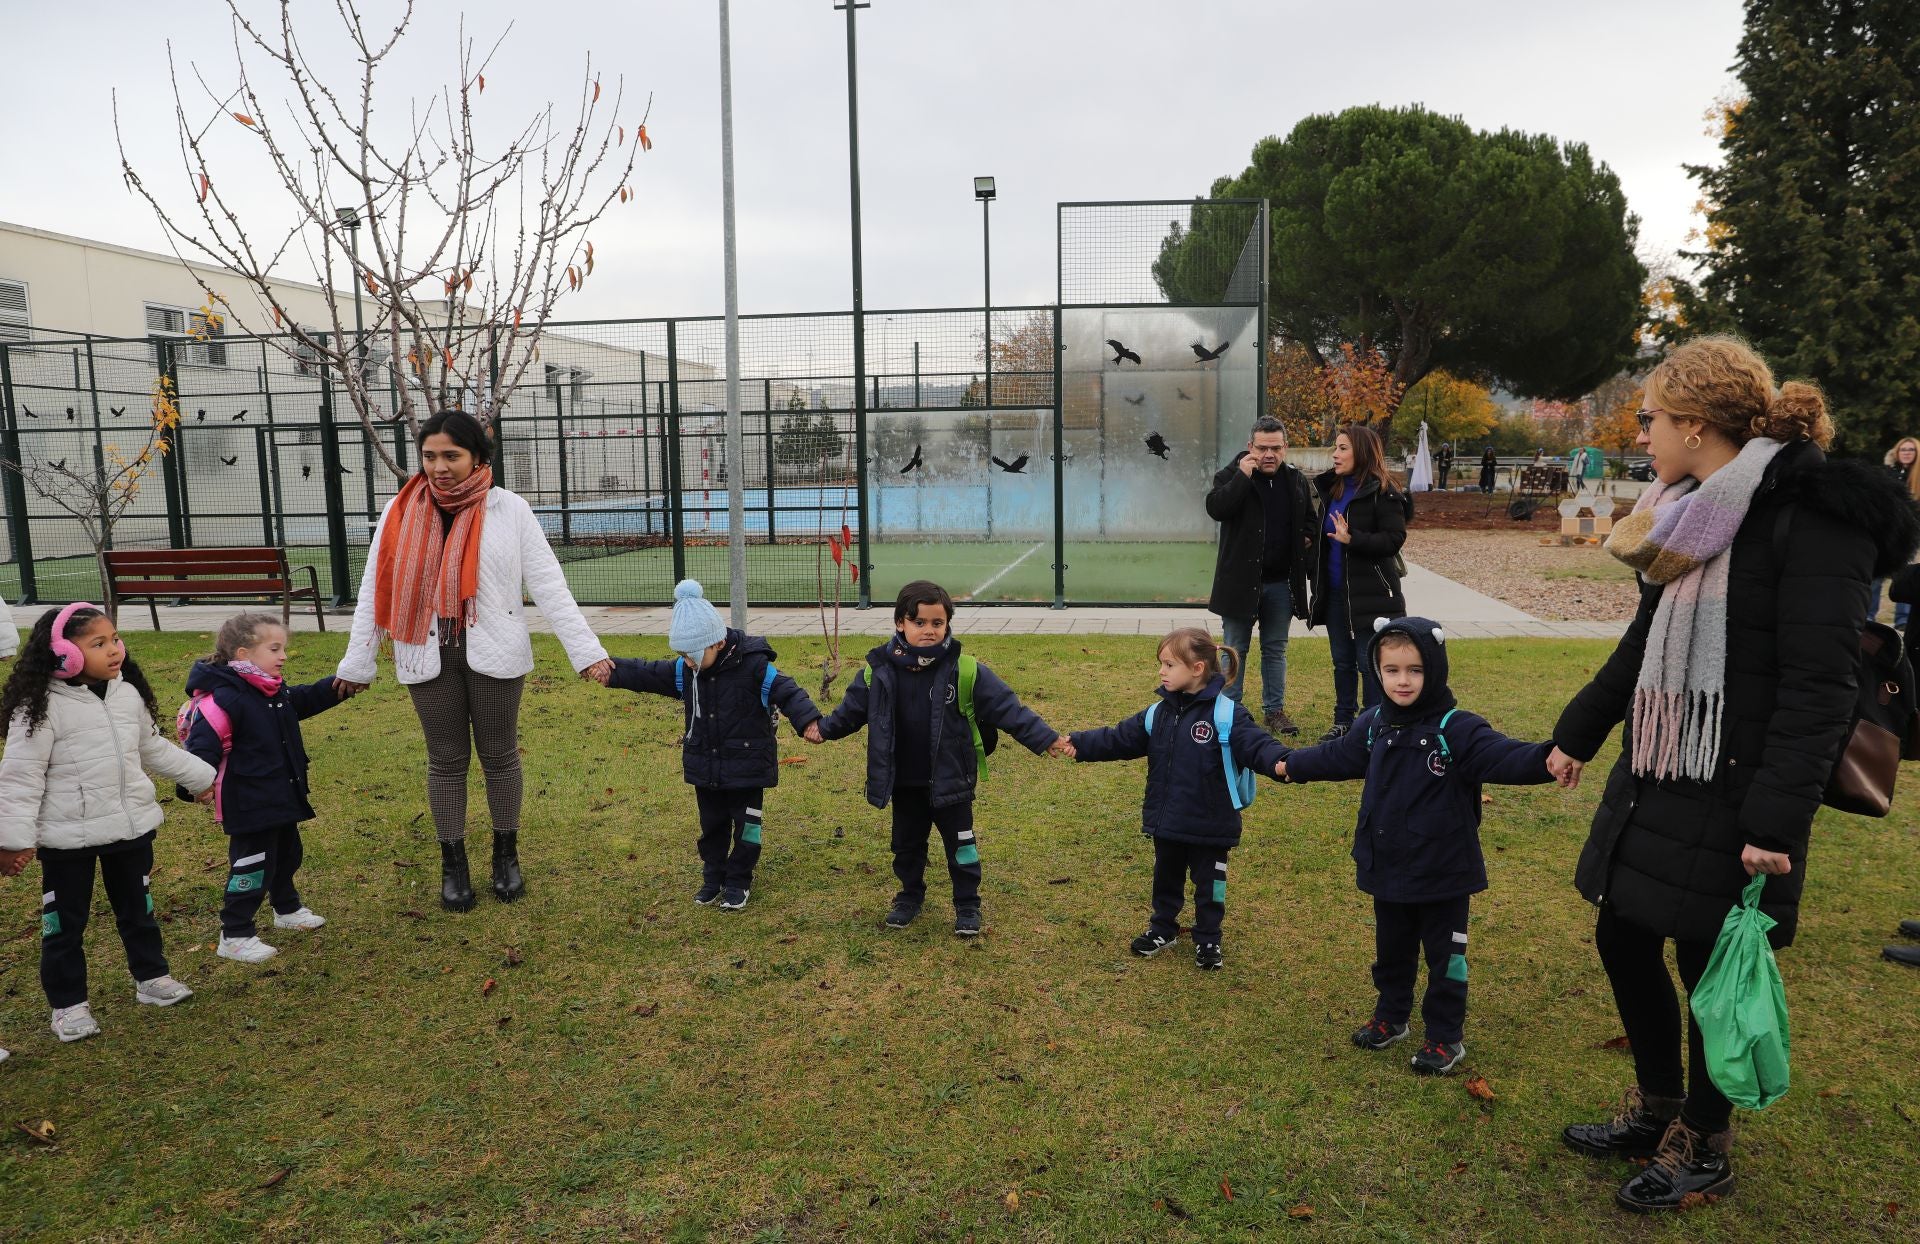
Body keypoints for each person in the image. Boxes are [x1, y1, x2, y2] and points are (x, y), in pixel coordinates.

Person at [1545, 336, 1920, 1213]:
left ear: (1698, 423)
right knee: (1624, 934)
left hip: (1744, 781)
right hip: (1665, 763)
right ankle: (1658, 1105)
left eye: (1651, 420)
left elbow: (1821, 686)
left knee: (1709, 959)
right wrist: (1579, 732)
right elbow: (1646, 642)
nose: (1642, 436)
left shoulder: (1810, 517)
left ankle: (1704, 1139)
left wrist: (1775, 823)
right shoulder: (1690, 510)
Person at [334, 410, 612, 913]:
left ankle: (505, 855)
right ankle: (453, 863)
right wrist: (358, 663)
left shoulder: (511, 510)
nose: (439, 467)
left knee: (499, 756)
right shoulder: (400, 510)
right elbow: (376, 586)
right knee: (446, 761)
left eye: (451, 456)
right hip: (424, 652)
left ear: (478, 457)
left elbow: (549, 585)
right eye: (429, 456)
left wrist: (587, 653)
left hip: (496, 652)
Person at [1276, 617, 1560, 1074]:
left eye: (1415, 670)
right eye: (1391, 670)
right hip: (1386, 864)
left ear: (1435, 670)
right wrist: (1292, 763)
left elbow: (1505, 755)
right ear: (1377, 671)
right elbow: (1339, 756)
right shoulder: (1373, 724)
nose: (1402, 681)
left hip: (1443, 871)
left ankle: (1446, 1037)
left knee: (1446, 960)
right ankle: (1391, 1017)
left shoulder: (1457, 729)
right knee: (1392, 951)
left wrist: (1551, 757)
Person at [0, 605, 217, 1043]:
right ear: (63, 654)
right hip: (67, 841)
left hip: (129, 829)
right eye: (98, 644)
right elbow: (20, 776)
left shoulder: (126, 693)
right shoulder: (38, 706)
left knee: (139, 910)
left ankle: (152, 977)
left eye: (115, 638)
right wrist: (11, 841)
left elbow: (151, 747)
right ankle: (68, 1006)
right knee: (64, 924)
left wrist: (202, 778)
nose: (114, 649)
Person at [810, 579, 1066, 937]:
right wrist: (822, 729)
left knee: (962, 845)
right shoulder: (877, 671)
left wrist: (1046, 738)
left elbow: (1009, 709)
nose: (928, 631)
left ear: (947, 625)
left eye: (937, 623)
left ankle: (967, 904)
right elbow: (851, 712)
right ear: (900, 622)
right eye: (919, 623)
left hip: (950, 779)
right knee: (906, 846)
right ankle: (909, 896)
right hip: (903, 781)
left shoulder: (965, 670)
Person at [1063, 628, 1287, 971]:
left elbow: (1259, 746)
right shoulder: (1159, 713)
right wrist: (1078, 743)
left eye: (1169, 664)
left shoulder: (1228, 715)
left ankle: (1208, 937)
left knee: (1210, 884)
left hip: (1211, 823)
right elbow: (1118, 738)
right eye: (1161, 664)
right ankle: (1162, 928)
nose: (1161, 671)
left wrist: (1281, 762)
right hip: (1168, 819)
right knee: (1165, 876)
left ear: (1197, 668)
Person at [596, 580, 822, 911]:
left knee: (748, 828)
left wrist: (809, 721)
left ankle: (739, 879)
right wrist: (614, 672)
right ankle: (713, 876)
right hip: (706, 765)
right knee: (712, 827)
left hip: (747, 768)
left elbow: (788, 691)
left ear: (716, 642)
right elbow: (647, 673)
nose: (687, 662)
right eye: (682, 656)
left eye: (692, 655)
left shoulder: (756, 667)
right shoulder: (687, 672)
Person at [179, 612, 355, 965]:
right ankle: (236, 932)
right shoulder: (225, 699)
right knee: (252, 864)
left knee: (287, 855)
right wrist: (194, 785)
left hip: (279, 794)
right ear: (243, 654)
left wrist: (339, 685)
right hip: (249, 801)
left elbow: (301, 701)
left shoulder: (269, 689)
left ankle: (286, 908)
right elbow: (202, 747)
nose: (283, 655)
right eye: (275, 648)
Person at [1205, 416, 1315, 736]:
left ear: (1285, 448)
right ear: (1250, 447)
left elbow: (1311, 520)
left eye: (1276, 448)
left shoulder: (1295, 480)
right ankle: (1230, 709)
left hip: (1281, 583)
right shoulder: (1230, 475)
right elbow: (1216, 508)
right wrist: (1243, 475)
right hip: (1240, 583)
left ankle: (1274, 710)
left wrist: (1305, 539)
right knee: (1234, 647)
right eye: (1262, 448)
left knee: (1275, 649)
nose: (1269, 454)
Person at [1309, 423, 1408, 740]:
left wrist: (1352, 538)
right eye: (1335, 448)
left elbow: (1394, 540)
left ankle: (1373, 726)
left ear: (1361, 452)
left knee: (1371, 664)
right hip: (1335, 592)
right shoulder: (1331, 489)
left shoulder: (1384, 491)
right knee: (1342, 661)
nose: (1335, 454)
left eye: (1342, 448)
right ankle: (1343, 722)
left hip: (1373, 595)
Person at [1870, 437, 1920, 626]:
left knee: (1904, 575)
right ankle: (1869, 617)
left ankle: (1902, 621)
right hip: (1886, 531)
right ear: (1897, 452)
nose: (1907, 452)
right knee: (1876, 575)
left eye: (1911, 449)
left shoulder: (1917, 478)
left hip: (1910, 533)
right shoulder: (1887, 474)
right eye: (1903, 449)